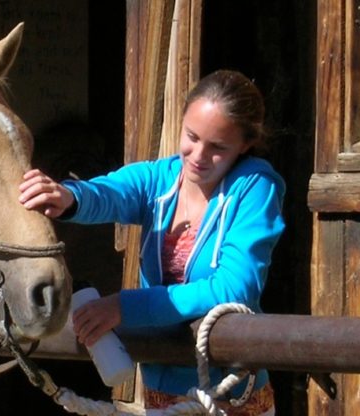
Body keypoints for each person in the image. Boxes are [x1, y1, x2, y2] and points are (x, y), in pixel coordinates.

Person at [18, 69, 284, 416]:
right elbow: (109, 193)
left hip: (231, 395)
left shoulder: (255, 187)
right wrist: (67, 196)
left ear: (245, 145)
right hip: (160, 393)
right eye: (191, 136)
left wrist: (124, 307)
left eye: (217, 147)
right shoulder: (159, 179)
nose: (198, 156)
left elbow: (235, 287)